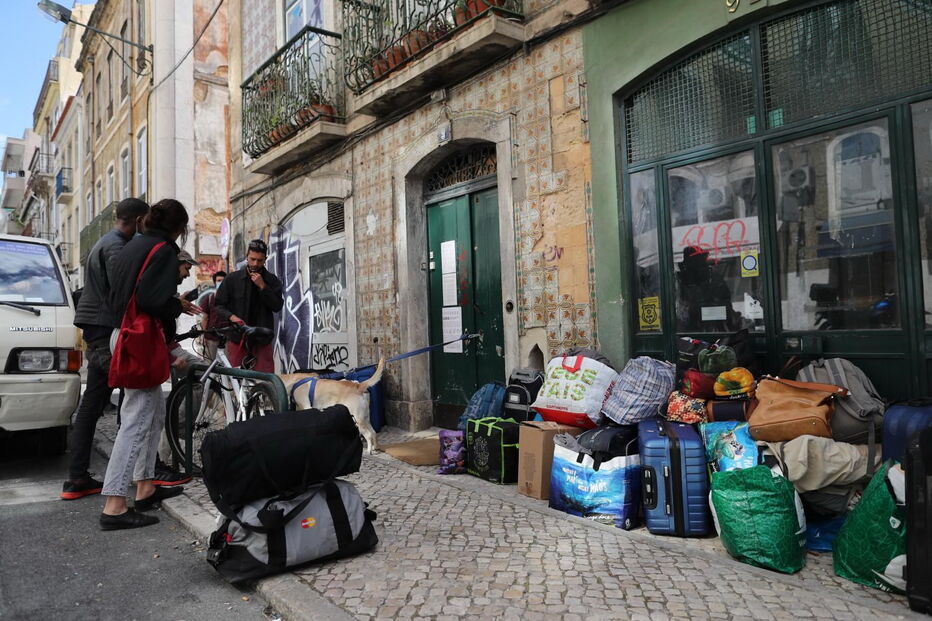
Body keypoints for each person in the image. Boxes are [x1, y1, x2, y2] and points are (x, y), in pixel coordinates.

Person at [99, 199, 201, 531]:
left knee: (154, 411)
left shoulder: (134, 245)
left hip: (125, 334)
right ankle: (114, 504)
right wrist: (175, 305)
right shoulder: (163, 250)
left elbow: (132, 292)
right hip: (139, 339)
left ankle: (145, 488)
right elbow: (152, 300)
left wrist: (171, 302)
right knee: (136, 420)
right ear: (180, 228)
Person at [61, 198, 148, 501]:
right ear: (138, 220)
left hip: (94, 327)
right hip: (105, 328)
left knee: (93, 403)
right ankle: (131, 480)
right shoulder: (116, 247)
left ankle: (77, 477)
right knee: (136, 397)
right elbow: (123, 290)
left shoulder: (106, 242)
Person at [214, 239, 283, 373]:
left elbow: (277, 306)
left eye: (260, 260)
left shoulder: (272, 280)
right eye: (252, 259)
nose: (255, 264)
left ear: (265, 260)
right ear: (247, 256)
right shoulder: (232, 279)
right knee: (237, 379)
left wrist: (263, 286)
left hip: (262, 339)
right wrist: (232, 317)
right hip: (238, 338)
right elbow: (218, 305)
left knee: (265, 380)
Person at [199, 270, 228, 360]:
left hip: (227, 338)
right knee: (209, 364)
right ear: (215, 282)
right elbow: (205, 318)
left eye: (223, 280)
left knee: (226, 366)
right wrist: (203, 335)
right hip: (211, 337)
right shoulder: (210, 298)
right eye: (219, 280)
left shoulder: (232, 299)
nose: (221, 283)